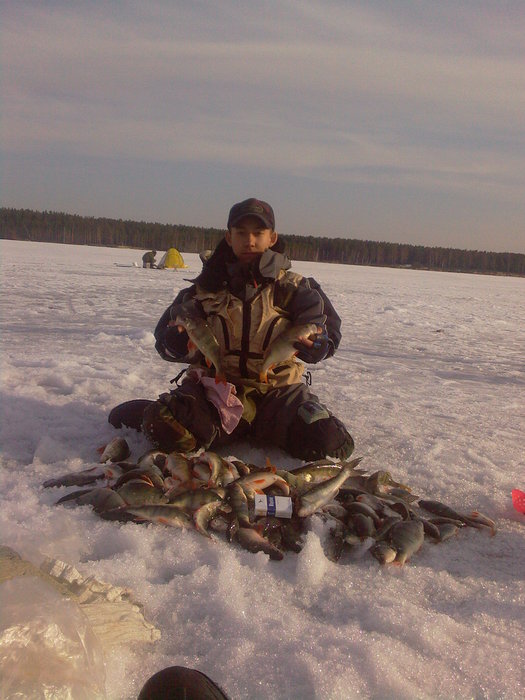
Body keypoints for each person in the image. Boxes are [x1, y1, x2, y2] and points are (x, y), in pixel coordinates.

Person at [110, 198, 354, 461]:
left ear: (272, 238)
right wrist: (176, 343)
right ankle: (188, 413)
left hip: (279, 395)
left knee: (331, 442)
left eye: (258, 233)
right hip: (218, 393)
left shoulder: (298, 289)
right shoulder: (203, 289)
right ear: (229, 237)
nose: (249, 240)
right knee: (162, 423)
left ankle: (256, 427)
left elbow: (329, 334)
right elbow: (165, 342)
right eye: (241, 233)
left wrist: (319, 347)